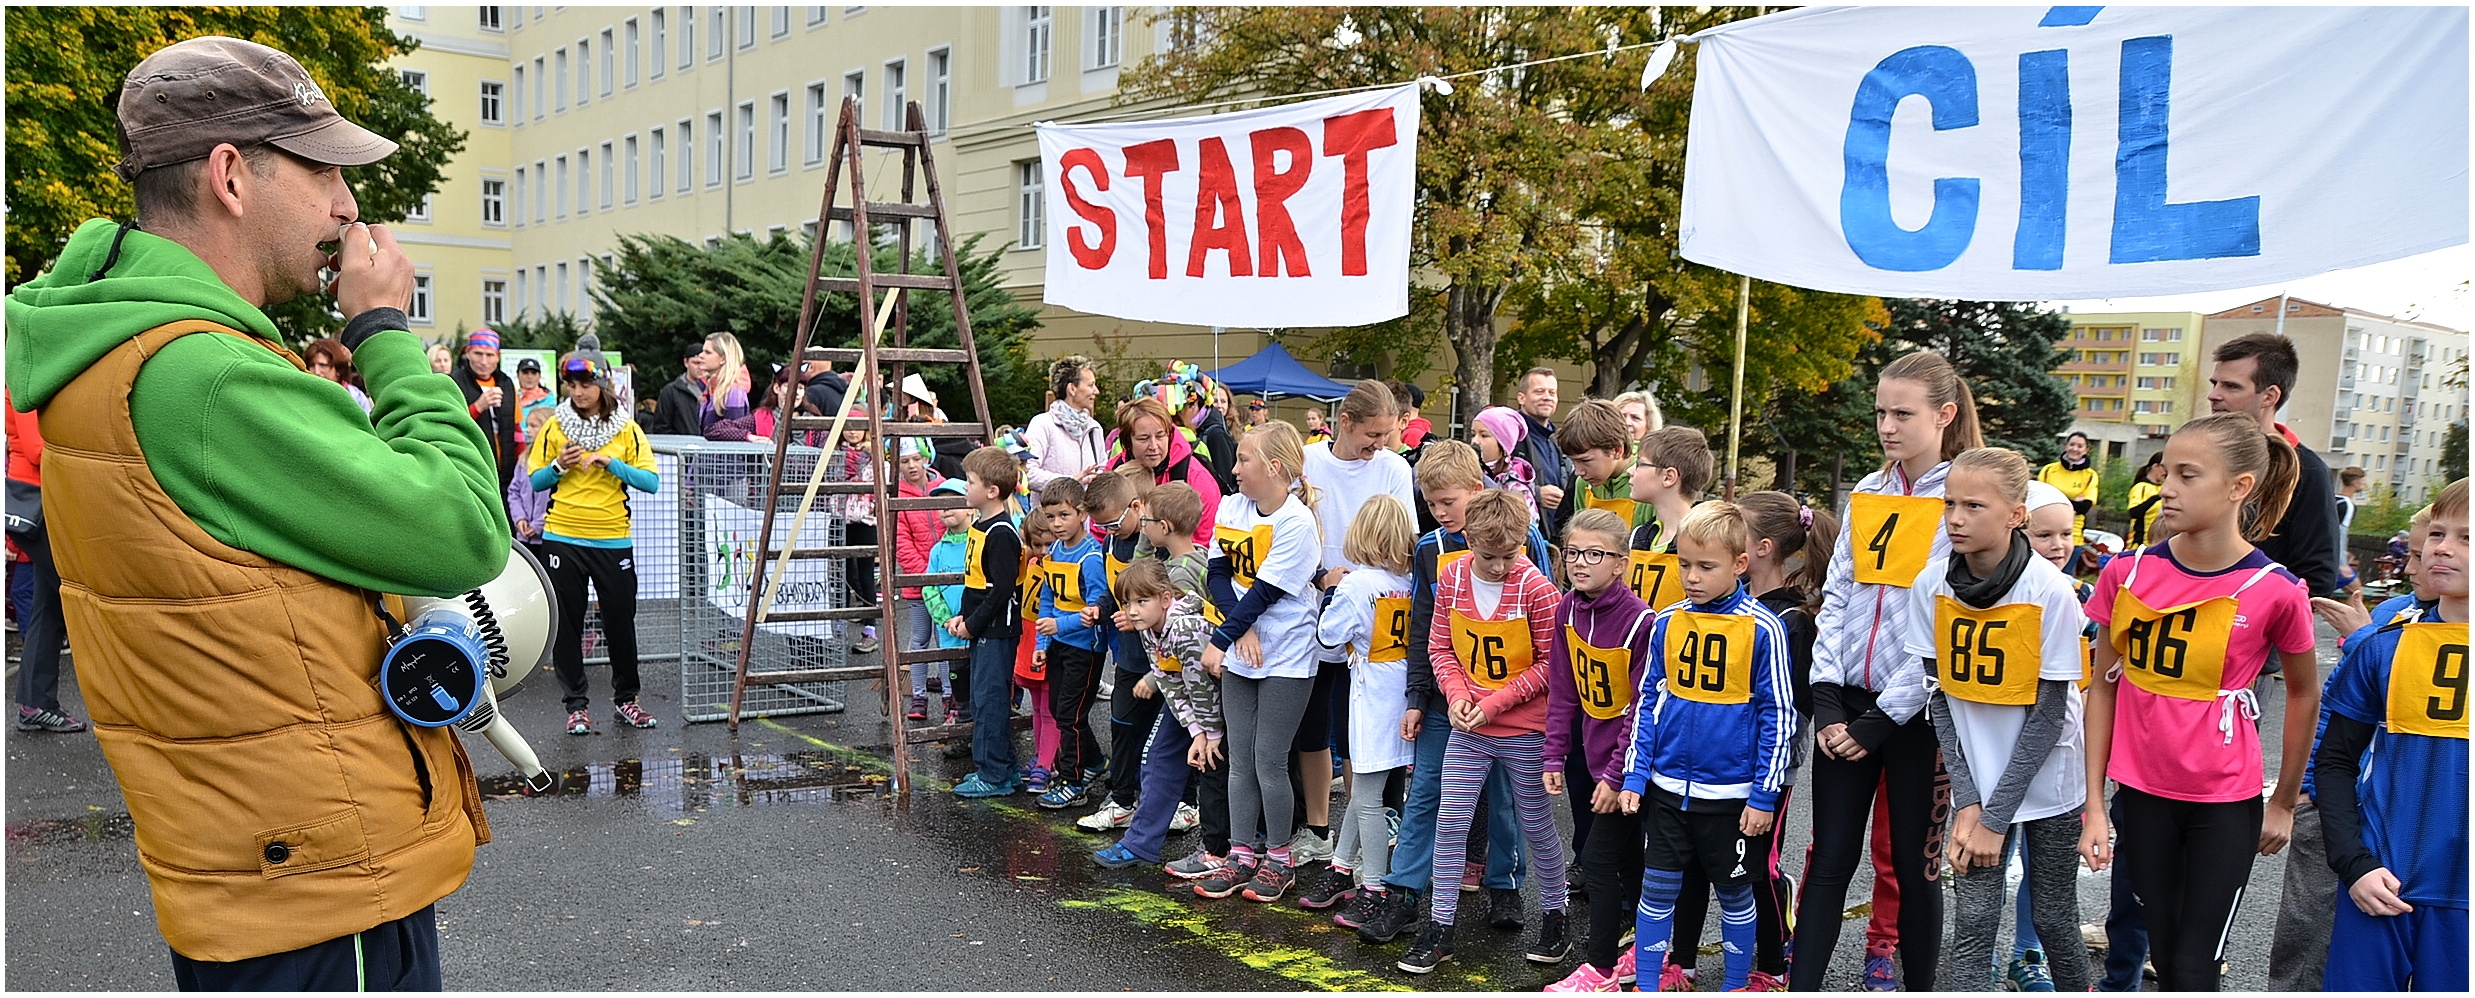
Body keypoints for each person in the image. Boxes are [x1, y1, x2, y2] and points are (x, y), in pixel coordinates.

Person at [4, 35, 504, 986]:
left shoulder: (115, 339)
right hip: (317, 885)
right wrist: (386, 335)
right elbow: (463, 530)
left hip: (251, 867)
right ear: (232, 175)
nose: (348, 206)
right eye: (324, 172)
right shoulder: (205, 375)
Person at [2078, 412, 2319, 992]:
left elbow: (2306, 694)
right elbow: (2103, 686)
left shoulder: (2276, 590)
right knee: (2160, 950)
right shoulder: (2126, 572)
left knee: (2193, 968)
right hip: (2141, 799)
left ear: (2239, 487)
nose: (2167, 488)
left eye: (2188, 476)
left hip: (2224, 804)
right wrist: (2094, 801)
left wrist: (2284, 802)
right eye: (2167, 472)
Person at [1795, 349, 1980, 992]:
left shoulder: (1961, 499)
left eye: (1904, 413)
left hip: (1914, 717)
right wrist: (1826, 699)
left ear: (1944, 416)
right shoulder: (1870, 492)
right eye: (1881, 412)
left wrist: (1878, 721)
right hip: (1845, 708)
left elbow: (1940, 629)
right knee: (1830, 859)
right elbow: (1838, 594)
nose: (1887, 426)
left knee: (1913, 867)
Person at [1907, 447, 2092, 992]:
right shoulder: (1931, 585)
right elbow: (1938, 697)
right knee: (1975, 921)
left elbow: (2048, 717)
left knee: (2055, 915)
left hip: (2049, 779)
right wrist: (1970, 802)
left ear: (2016, 515)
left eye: (1974, 506)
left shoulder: (2051, 591)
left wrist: (1993, 818)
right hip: (1977, 784)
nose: (1956, 518)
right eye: (1949, 504)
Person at [1360, 441, 1539, 946]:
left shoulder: (1524, 538)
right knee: (1426, 791)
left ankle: (1504, 884)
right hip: (1447, 696)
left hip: (1510, 699)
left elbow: (1544, 618)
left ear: (1478, 491)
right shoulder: (1429, 551)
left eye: (1449, 502)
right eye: (1432, 504)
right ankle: (1404, 894)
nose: (1440, 513)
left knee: (1504, 794)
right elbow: (1424, 630)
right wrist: (1418, 697)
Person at [1616, 501, 1795, 994]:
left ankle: (1735, 984)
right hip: (1668, 791)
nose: (1691, 577)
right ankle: (1648, 984)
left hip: (1733, 799)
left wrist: (1763, 794)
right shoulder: (1667, 622)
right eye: (1684, 564)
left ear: (1740, 564)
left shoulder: (1765, 629)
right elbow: (1648, 700)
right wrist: (1635, 776)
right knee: (1656, 893)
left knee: (1736, 894)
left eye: (1705, 566)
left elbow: (1778, 716)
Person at [1397, 488, 1571, 974]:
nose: (1499, 567)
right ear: (1468, 538)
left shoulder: (1537, 589)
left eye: (1510, 555)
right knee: (1450, 824)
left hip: (1521, 728)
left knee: (1535, 825)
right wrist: (1455, 696)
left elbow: (1550, 666)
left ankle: (1556, 915)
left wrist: (1492, 703)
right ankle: (1441, 927)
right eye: (1488, 556)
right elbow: (1440, 647)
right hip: (1469, 723)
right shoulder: (1451, 575)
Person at [2312, 478, 2467, 991]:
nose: (2443, 548)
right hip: (2384, 882)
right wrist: (2353, 862)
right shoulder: (2383, 647)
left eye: (2466, 538)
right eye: (2439, 534)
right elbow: (2335, 762)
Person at [1195, 421, 1324, 903]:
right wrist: (1238, 631)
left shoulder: (1296, 522)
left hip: (1287, 653)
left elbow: (1268, 591)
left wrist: (1221, 640)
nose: (1234, 468)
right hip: (1245, 643)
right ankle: (1241, 853)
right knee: (1239, 760)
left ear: (1273, 467)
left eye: (1243, 459)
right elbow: (1218, 574)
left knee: (1269, 759)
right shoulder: (1232, 506)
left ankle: (1280, 857)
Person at [1295, 380, 1415, 866]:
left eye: (1388, 434)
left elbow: (1402, 537)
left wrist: (1365, 580)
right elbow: (1292, 527)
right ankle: (1319, 828)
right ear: (1344, 422)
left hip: (1371, 612)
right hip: (1317, 600)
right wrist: (1323, 576)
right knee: (1313, 727)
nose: (1380, 444)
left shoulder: (1393, 467)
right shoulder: (1309, 460)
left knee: (1365, 731)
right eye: (1373, 433)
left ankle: (1377, 830)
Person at [1541, 508, 1658, 993]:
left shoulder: (1641, 623)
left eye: (1595, 554)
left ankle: (1601, 966)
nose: (1581, 563)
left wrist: (1616, 776)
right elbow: (1564, 689)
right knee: (1629, 859)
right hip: (1588, 758)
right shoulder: (1567, 608)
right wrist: (1554, 753)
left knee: (1597, 858)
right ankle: (1644, 947)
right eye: (1573, 553)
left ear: (1621, 564)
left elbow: (1639, 709)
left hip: (1629, 765)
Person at [528, 337, 660, 736]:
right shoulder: (553, 425)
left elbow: (651, 482)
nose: (578, 392)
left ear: (602, 384)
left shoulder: (628, 428)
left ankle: (626, 700)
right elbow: (535, 480)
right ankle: (576, 706)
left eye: (585, 384)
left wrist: (612, 463)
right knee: (567, 624)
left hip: (611, 538)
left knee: (620, 622)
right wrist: (557, 466)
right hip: (563, 536)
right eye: (571, 385)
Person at [1298, 494, 1419, 921]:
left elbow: (1328, 635)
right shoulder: (1407, 583)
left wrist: (1330, 591)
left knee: (1367, 799)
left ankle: (1375, 888)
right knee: (1367, 790)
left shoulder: (1355, 583)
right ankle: (1341, 867)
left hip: (1371, 697)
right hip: (1402, 695)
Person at [1730, 491, 1833, 990]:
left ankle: (1771, 963)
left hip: (1769, 761)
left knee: (1755, 864)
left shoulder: (1794, 620)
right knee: (1724, 860)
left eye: (1737, 528)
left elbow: (1792, 706)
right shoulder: (1733, 603)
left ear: (1763, 547)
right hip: (1721, 756)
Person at [1089, 557, 1229, 870]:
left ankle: (1228, 850)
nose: (1132, 610)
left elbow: (1203, 688)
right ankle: (1139, 844)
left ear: (1165, 598)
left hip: (1225, 697)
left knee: (1215, 768)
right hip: (1194, 699)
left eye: (1141, 601)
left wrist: (1209, 735)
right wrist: (1195, 731)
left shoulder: (1184, 629)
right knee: (1158, 758)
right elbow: (1168, 680)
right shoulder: (1149, 625)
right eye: (1126, 603)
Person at [1110, 481, 1219, 861]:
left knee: (1185, 763)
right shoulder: (1183, 564)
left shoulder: (1178, 575)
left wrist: (1154, 679)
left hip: (1203, 689)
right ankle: (1143, 843)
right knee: (1165, 760)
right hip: (1191, 688)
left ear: (1165, 527)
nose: (1141, 525)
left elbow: (1187, 651)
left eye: (1147, 520)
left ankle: (1224, 849)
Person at [2209, 332, 2342, 597]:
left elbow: (2317, 575)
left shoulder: (2307, 470)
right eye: (2214, 383)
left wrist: (2254, 617)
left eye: (2231, 386)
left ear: (2269, 396)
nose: (2214, 395)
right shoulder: (2200, 454)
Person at [1082, 469, 1175, 834]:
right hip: (1127, 655)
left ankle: (1179, 801)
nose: (1108, 531)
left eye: (1113, 523)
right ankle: (1122, 797)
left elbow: (1164, 600)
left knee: (1165, 735)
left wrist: (1132, 615)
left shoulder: (1157, 546)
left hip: (1159, 658)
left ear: (1136, 507)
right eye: (1101, 526)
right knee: (1122, 724)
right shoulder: (1111, 542)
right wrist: (1101, 609)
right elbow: (1114, 590)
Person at [949, 446, 1027, 798]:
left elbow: (1000, 592)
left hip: (996, 632)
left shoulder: (1001, 533)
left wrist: (973, 624)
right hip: (983, 628)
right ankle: (1004, 767)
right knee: (983, 699)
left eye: (971, 482)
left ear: (992, 491)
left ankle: (993, 773)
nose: (966, 488)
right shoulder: (981, 526)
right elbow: (977, 584)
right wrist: (964, 616)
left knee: (990, 700)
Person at [4, 392, 83, 734]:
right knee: (73, 596)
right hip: (35, 502)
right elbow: (38, 450)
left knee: (49, 605)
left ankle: (36, 703)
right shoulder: (24, 387)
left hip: (38, 502)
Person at [1036, 478, 1111, 808]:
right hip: (1060, 645)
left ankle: (1073, 781)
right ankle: (1093, 761)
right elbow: (1047, 599)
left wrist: (1058, 626)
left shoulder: (1092, 558)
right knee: (1058, 709)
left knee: (1071, 714)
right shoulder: (1053, 551)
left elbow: (1095, 611)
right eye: (1050, 517)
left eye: (1064, 516)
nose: (1057, 524)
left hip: (1085, 648)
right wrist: (1043, 641)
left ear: (1082, 513)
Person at [1109, 395, 1224, 545]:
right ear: (1127, 441)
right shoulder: (1114, 470)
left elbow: (1207, 540)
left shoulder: (1196, 477)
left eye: (1160, 436)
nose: (1154, 446)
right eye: (1143, 438)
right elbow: (1099, 528)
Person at [1625, 426, 1713, 617]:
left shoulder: (1707, 542)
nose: (1630, 471)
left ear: (1668, 477)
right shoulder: (1639, 536)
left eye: (1640, 464)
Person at [890, 438, 948, 720]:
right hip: (918, 583)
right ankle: (918, 696)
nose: (912, 465)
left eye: (916, 458)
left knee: (946, 638)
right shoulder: (898, 496)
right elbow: (902, 542)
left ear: (926, 458)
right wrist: (927, 575)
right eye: (904, 461)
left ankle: (950, 694)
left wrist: (942, 571)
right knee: (920, 638)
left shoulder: (944, 488)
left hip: (946, 580)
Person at [1013, 506, 1063, 795]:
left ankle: (1046, 764)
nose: (1043, 550)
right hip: (1029, 639)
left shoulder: (1060, 567)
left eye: (1048, 544)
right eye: (1037, 545)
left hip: (1049, 640)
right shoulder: (1030, 564)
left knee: (1050, 707)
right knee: (1037, 706)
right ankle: (1043, 758)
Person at [1556, 400, 1653, 544]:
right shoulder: (1583, 484)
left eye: (1585, 461)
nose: (1578, 472)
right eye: (1573, 461)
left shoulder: (1649, 481)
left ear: (1617, 450)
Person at [826, 414, 881, 653]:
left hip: (865, 522)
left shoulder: (875, 456)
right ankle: (837, 628)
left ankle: (870, 630)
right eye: (848, 427)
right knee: (840, 575)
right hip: (839, 519)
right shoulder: (833, 454)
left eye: (858, 427)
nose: (852, 432)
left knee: (866, 576)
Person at [922, 479, 975, 722]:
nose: (946, 508)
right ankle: (963, 724)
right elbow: (929, 589)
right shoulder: (938, 550)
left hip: (978, 629)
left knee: (985, 684)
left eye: (952, 501)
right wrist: (946, 621)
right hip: (951, 635)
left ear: (970, 506)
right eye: (941, 503)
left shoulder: (980, 542)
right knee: (960, 684)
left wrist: (972, 619)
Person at [452, 327, 521, 496]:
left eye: (489, 355)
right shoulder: (454, 381)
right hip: (472, 469)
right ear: (468, 353)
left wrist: (522, 464)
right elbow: (450, 425)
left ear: (498, 357)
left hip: (506, 471)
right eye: (478, 354)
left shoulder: (506, 383)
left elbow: (517, 429)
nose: (483, 361)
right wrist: (478, 407)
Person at [1025, 355, 1107, 489]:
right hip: (1051, 510)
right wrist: (1070, 482)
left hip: (1086, 509)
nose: (1096, 391)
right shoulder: (1043, 424)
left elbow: (1103, 469)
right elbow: (1028, 473)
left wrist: (1098, 479)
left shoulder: (1094, 428)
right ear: (1072, 389)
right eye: (1091, 385)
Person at [1511, 368, 1570, 534]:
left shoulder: (1559, 440)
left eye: (1552, 392)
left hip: (1556, 538)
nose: (1547, 397)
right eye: (1539, 391)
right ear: (1521, 398)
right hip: (1523, 536)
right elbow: (1493, 482)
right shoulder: (1511, 436)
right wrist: (1535, 494)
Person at [2036, 431, 2100, 547]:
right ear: (2066, 446)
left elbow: (2084, 508)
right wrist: (2073, 503)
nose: (2075, 449)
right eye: (2072, 444)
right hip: (2045, 534)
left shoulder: (2090, 475)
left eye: (2080, 446)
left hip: (2073, 537)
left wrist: (2054, 499)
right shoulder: (2048, 470)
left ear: (2086, 450)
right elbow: (2038, 502)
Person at [506, 407, 555, 550]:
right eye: (527, 425)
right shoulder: (524, 458)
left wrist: (539, 524)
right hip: (524, 535)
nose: (528, 430)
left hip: (548, 536)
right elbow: (514, 491)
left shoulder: (559, 461)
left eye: (533, 426)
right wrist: (519, 518)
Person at [1470, 405, 1537, 507]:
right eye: (1473, 434)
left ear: (1504, 445)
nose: (1475, 441)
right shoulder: (1468, 472)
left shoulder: (1516, 487)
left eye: (1484, 435)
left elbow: (1527, 522)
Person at [645, 340, 710, 436]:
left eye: (703, 363)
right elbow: (661, 427)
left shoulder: (715, 391)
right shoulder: (671, 391)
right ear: (686, 362)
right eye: (696, 363)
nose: (700, 367)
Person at [301, 337, 373, 416]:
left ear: (338, 369)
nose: (316, 371)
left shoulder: (357, 398)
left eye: (323, 365)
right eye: (312, 365)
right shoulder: (304, 396)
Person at [2125, 453, 2166, 547]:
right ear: (2155, 466)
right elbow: (2134, 512)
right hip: (2140, 544)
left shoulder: (2163, 488)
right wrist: (2155, 498)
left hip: (2157, 543)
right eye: (2164, 468)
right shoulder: (2141, 487)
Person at [2335, 464, 2367, 563]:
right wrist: (2342, 563)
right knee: (2354, 579)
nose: (2365, 483)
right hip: (2332, 556)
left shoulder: (2334, 498)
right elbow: (2340, 533)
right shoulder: (2348, 505)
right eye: (2362, 480)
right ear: (2355, 482)